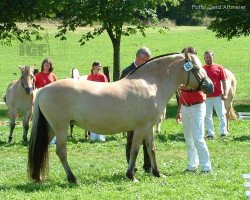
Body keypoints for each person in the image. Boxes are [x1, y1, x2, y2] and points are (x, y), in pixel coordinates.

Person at [176, 47, 211, 173]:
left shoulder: (199, 71)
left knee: (198, 137)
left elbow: (196, 87)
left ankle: (206, 166)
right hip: (185, 106)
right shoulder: (184, 71)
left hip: (197, 105)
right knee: (188, 138)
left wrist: (183, 86)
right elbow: (180, 93)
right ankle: (192, 165)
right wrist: (179, 110)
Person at [120, 47, 152, 173]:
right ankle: (131, 167)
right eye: (145, 60)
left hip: (145, 113)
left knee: (147, 140)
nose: (147, 63)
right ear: (138, 57)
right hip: (130, 113)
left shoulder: (148, 72)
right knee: (131, 140)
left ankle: (148, 166)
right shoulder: (127, 71)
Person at [203, 50, 228, 139]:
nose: (208, 58)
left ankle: (223, 132)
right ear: (204, 58)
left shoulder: (219, 67)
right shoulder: (202, 69)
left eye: (209, 57)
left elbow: (224, 81)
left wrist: (225, 93)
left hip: (218, 95)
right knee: (207, 116)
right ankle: (210, 133)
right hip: (206, 97)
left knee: (221, 114)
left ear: (213, 57)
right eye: (206, 57)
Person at [35, 58, 57, 144]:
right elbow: (34, 87)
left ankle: (52, 139)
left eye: (48, 65)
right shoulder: (37, 75)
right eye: (45, 65)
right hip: (41, 99)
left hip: (51, 100)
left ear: (50, 66)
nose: (46, 67)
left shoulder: (53, 76)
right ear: (42, 66)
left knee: (51, 119)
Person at [87, 61, 108, 141]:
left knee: (101, 118)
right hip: (91, 101)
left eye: (100, 66)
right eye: (98, 66)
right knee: (92, 119)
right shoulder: (89, 77)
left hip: (101, 101)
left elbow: (106, 88)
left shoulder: (102, 76)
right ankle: (93, 136)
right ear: (94, 67)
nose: (100, 68)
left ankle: (101, 137)